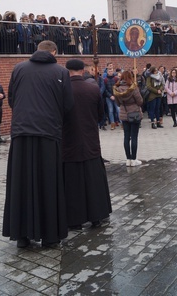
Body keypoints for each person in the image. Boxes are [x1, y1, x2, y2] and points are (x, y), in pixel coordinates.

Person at [2, 40, 74, 248]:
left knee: (20, 183)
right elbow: (67, 105)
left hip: (21, 133)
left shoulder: (18, 68)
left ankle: (22, 236)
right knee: (49, 183)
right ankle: (50, 236)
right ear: (53, 52)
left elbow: (12, 99)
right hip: (48, 134)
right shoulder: (60, 72)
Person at [63, 59, 112, 230]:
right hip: (90, 141)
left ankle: (74, 220)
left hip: (68, 143)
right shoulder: (92, 89)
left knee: (72, 182)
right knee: (93, 181)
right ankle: (96, 217)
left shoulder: (62, 89)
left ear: (67, 71)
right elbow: (100, 115)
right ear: (83, 70)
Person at [114, 70, 143, 166]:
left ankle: (128, 159)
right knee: (134, 136)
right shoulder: (133, 88)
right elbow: (140, 101)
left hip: (123, 113)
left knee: (126, 136)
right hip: (134, 113)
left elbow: (118, 103)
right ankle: (134, 159)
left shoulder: (117, 88)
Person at [103, 62, 120, 130]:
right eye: (109, 71)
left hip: (116, 96)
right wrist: (110, 96)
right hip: (109, 97)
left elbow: (118, 87)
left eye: (111, 71)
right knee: (110, 110)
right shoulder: (105, 80)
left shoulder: (116, 79)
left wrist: (115, 95)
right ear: (107, 72)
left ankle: (121, 123)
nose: (110, 72)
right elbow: (105, 89)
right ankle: (112, 123)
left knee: (118, 110)